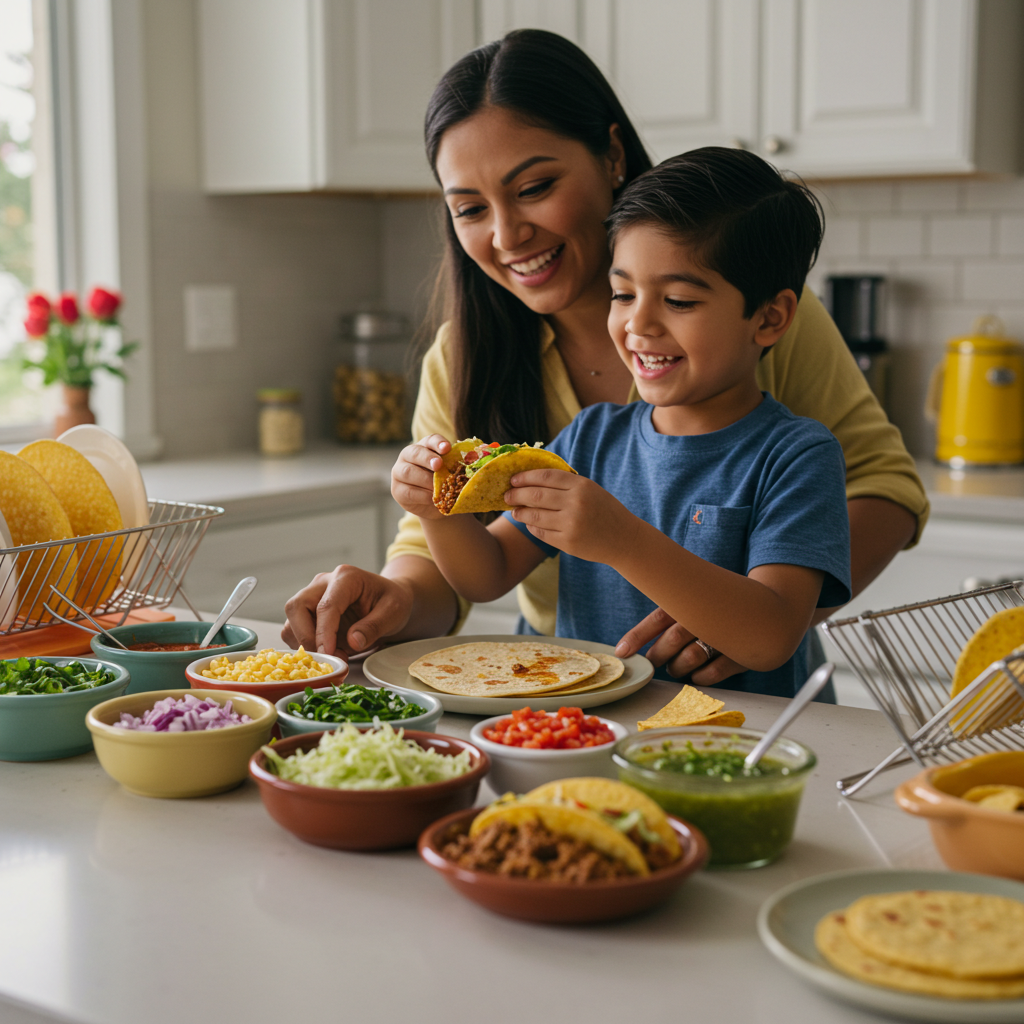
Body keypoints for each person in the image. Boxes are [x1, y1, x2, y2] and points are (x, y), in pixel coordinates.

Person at [282, 29, 927, 689]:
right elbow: (470, 569)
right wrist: (417, 539)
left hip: (741, 708)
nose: (506, 235)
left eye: (534, 186)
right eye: (471, 209)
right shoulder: (554, 415)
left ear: (612, 155)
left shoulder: (759, 336)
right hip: (573, 691)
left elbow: (881, 488)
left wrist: (736, 614)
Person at [390, 148, 851, 697]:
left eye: (678, 300)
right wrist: (435, 509)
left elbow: (771, 635)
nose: (639, 323)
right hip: (596, 733)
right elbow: (486, 575)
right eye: (623, 294)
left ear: (770, 317)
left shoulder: (797, 455)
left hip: (745, 743)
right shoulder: (591, 437)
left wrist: (621, 541)